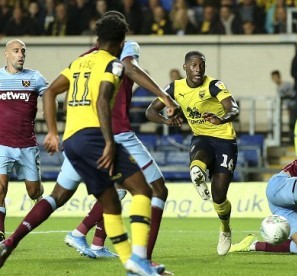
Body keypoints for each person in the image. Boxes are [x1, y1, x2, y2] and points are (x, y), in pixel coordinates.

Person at [0, 15, 159, 276]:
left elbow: (50, 92)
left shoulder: (79, 62)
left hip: (72, 140)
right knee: (143, 190)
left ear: (98, 38)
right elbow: (102, 101)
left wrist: (53, 132)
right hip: (94, 138)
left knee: (76, 198)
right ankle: (139, 260)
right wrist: (109, 141)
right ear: (121, 41)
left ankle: (10, 242)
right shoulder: (114, 64)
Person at [59, 11, 178, 270]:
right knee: (156, 189)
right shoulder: (126, 48)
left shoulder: (86, 57)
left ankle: (87, 237)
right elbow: (130, 68)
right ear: (122, 36)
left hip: (87, 134)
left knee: (114, 190)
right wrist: (165, 97)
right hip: (117, 132)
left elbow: (68, 95)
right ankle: (143, 258)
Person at [146, 51, 240, 256]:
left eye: (202, 65)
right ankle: (197, 175)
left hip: (225, 141)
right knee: (198, 164)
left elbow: (233, 108)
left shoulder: (214, 85)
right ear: (185, 67)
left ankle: (225, 229)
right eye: (194, 65)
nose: (198, 69)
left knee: (219, 196)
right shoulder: (174, 87)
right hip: (202, 137)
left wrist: (221, 118)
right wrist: (166, 121)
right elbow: (150, 111)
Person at [0, 39, 47, 242]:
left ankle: (40, 191)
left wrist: (48, 111)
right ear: (6, 54)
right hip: (2, 143)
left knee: (33, 191)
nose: (21, 55)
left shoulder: (35, 78)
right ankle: (0, 232)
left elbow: (50, 94)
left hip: (27, 145)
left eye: (23, 51)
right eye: (16, 51)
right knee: (0, 187)